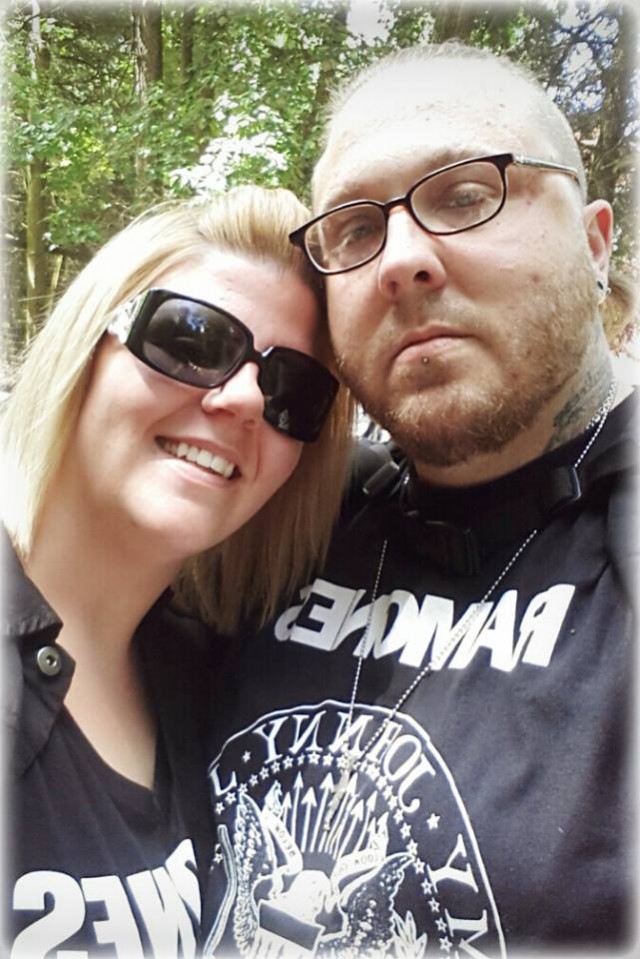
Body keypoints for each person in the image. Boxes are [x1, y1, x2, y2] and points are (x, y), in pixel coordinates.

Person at [202, 44, 637, 957]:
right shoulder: (270, 520)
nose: (401, 259)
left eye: (467, 194)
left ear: (596, 244)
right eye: (355, 227)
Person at [2, 185, 352, 956]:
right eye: (193, 338)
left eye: (291, 389)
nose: (244, 400)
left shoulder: (217, 683)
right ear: (86, 344)